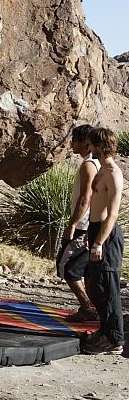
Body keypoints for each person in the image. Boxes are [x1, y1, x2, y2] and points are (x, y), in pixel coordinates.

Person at [83, 127, 125, 355]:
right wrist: (91, 236)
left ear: (100, 145)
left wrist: (100, 242)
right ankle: (105, 331)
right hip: (96, 229)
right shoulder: (101, 170)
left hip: (107, 234)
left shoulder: (113, 173)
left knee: (108, 288)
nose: (88, 148)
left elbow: (113, 213)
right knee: (96, 286)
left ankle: (114, 340)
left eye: (91, 144)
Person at [55, 124, 100, 321]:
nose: (71, 143)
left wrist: (73, 224)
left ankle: (88, 307)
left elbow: (85, 197)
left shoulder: (88, 165)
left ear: (84, 143)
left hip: (84, 225)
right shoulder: (99, 164)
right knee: (88, 271)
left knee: (67, 267)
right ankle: (95, 309)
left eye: (74, 139)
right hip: (93, 224)